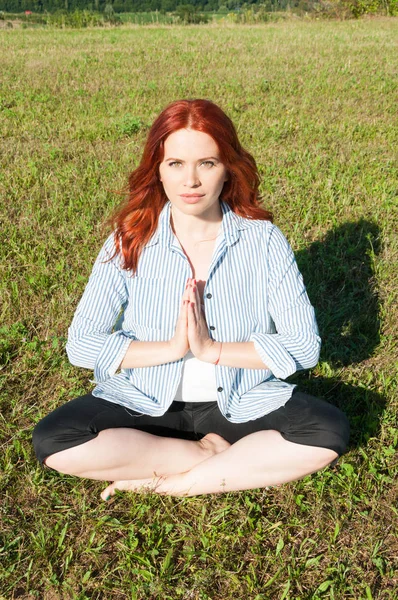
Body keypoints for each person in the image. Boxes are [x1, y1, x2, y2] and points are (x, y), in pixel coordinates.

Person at [32, 99, 350, 500]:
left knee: (327, 430)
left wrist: (213, 350)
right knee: (54, 440)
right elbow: (81, 344)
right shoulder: (128, 240)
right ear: (158, 171)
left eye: (208, 163)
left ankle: (179, 483)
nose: (191, 181)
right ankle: (208, 454)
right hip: (146, 401)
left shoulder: (264, 240)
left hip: (241, 400)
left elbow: (304, 347)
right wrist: (171, 348)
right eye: (176, 164)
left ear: (228, 169)